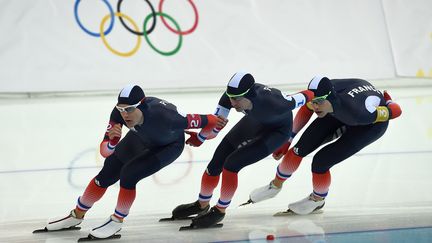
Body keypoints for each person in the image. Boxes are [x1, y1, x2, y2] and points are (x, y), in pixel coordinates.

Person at [41, 84, 226, 239]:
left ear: (141, 105)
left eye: (129, 109)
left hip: (168, 146)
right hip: (141, 137)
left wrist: (200, 138)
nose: (124, 115)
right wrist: (112, 142)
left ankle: (116, 221)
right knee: (107, 173)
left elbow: (211, 120)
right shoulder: (119, 113)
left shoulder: (167, 118)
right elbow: (105, 152)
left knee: (129, 175)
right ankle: (77, 215)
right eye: (121, 110)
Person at [168, 71, 314, 228]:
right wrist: (201, 138)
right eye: (230, 97)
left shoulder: (275, 102)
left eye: (237, 99)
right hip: (255, 121)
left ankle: (220, 210)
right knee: (217, 161)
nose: (232, 102)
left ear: (249, 95)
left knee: (232, 164)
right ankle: (201, 204)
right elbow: (215, 128)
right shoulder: (230, 97)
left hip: (277, 132)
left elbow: (308, 95)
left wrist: (323, 92)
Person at [247, 76, 402, 215]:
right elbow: (307, 108)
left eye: (318, 102)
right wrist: (289, 138)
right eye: (313, 102)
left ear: (330, 97)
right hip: (337, 111)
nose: (315, 107)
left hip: (368, 126)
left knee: (321, 162)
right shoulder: (321, 95)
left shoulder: (360, 112)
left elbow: (396, 111)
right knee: (298, 150)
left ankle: (317, 200)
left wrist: (388, 101)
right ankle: (275, 186)